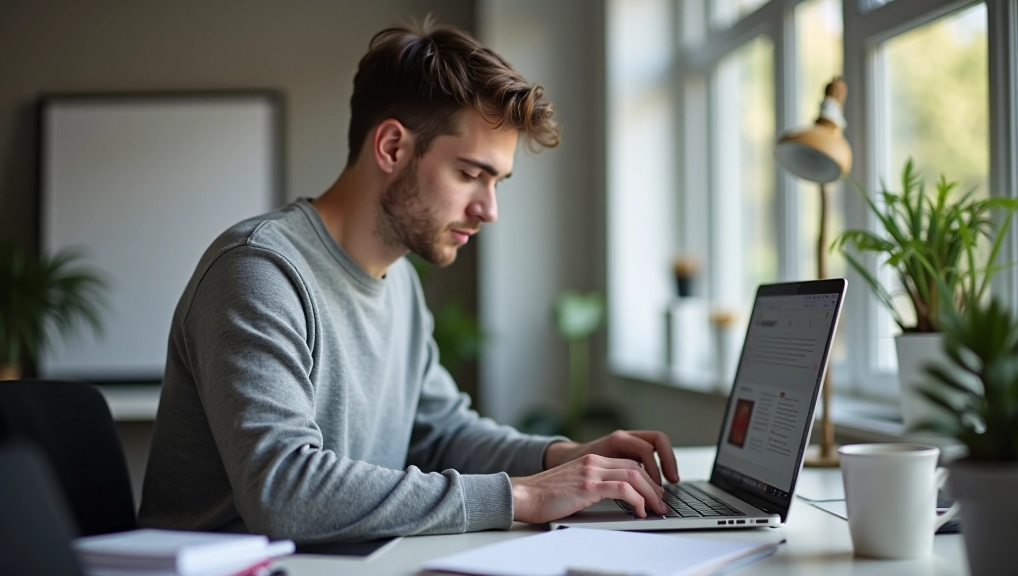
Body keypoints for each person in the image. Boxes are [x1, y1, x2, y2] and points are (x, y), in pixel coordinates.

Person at [139, 19, 679, 543]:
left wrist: (560, 458)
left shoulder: (398, 283)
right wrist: (521, 495)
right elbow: (284, 491)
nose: (489, 209)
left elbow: (442, 433)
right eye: (470, 174)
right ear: (393, 147)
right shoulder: (259, 272)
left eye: (498, 182)